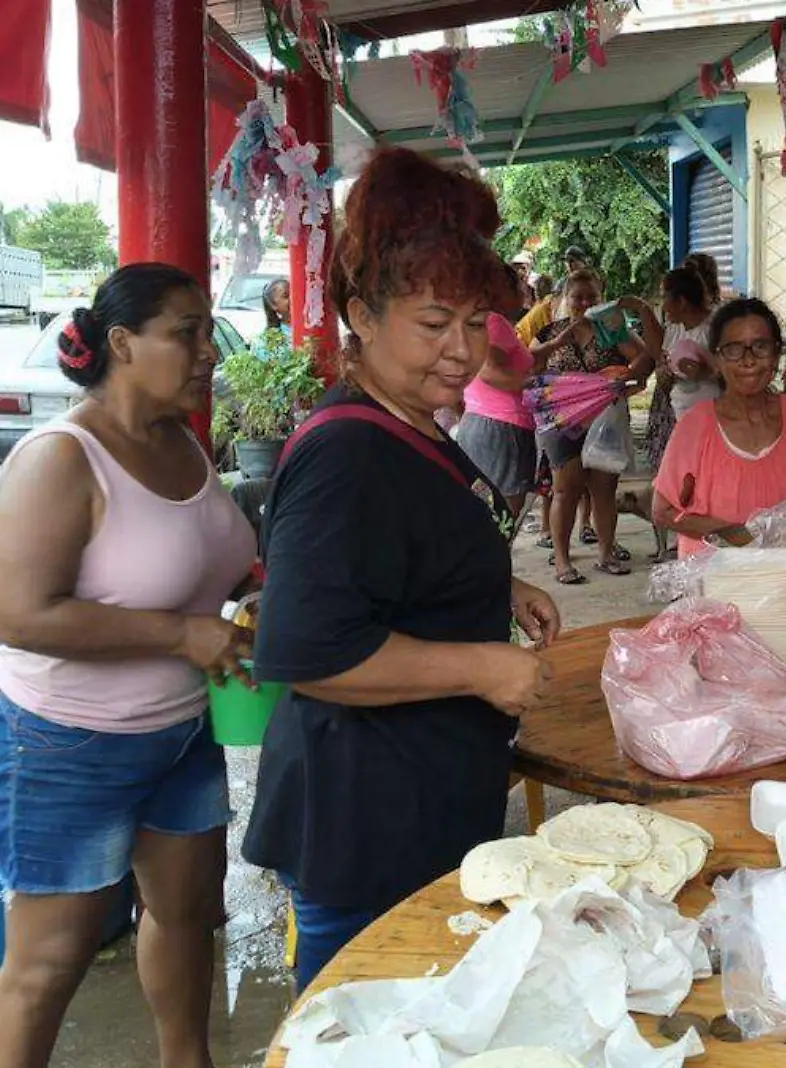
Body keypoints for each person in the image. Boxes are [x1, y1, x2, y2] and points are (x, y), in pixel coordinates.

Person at [244, 147, 562, 994]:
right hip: (364, 823)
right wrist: (479, 664)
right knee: (363, 1027)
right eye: (433, 325)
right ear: (362, 314)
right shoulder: (348, 452)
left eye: (474, 321)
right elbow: (310, 652)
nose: (462, 351)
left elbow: (405, 554)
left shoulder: (413, 422)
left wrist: (497, 586)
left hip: (416, 800)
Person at [0, 263, 258, 1068]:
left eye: (208, 332)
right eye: (187, 333)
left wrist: (245, 602)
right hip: (61, 745)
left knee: (186, 913)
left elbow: (209, 566)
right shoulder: (60, 458)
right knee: (47, 963)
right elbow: (20, 615)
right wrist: (180, 636)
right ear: (123, 343)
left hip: (176, 734)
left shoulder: (182, 442)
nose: (208, 351)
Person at [652, 298, 786, 555]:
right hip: (714, 582)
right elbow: (663, 510)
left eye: (760, 346)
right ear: (717, 358)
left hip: (784, 579)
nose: (748, 361)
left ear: (777, 353)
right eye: (734, 349)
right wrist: (740, 537)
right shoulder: (696, 425)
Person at [529, 269, 655, 584]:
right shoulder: (548, 333)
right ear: (564, 299)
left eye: (592, 297)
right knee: (565, 490)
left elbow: (646, 359)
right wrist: (556, 345)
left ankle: (606, 553)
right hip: (561, 423)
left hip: (605, 421)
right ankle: (561, 559)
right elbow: (528, 368)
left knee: (604, 489)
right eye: (577, 297)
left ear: (602, 300)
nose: (584, 303)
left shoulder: (613, 330)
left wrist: (628, 377)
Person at [455, 262, 539, 523]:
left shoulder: (478, 320)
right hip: (502, 429)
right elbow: (489, 370)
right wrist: (534, 383)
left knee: (486, 509)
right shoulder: (494, 322)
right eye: (519, 284)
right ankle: (493, 562)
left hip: (483, 423)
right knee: (503, 515)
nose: (524, 291)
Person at [639, 266, 718, 473]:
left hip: (712, 425)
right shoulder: (674, 330)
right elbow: (662, 363)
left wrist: (704, 373)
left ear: (681, 301)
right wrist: (664, 375)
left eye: (665, 297)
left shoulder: (715, 330)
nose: (663, 306)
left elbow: (732, 376)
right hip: (680, 420)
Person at [253, 278, 293, 358]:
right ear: (273, 305)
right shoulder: (265, 341)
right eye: (286, 296)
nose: (292, 298)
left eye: (294, 293)